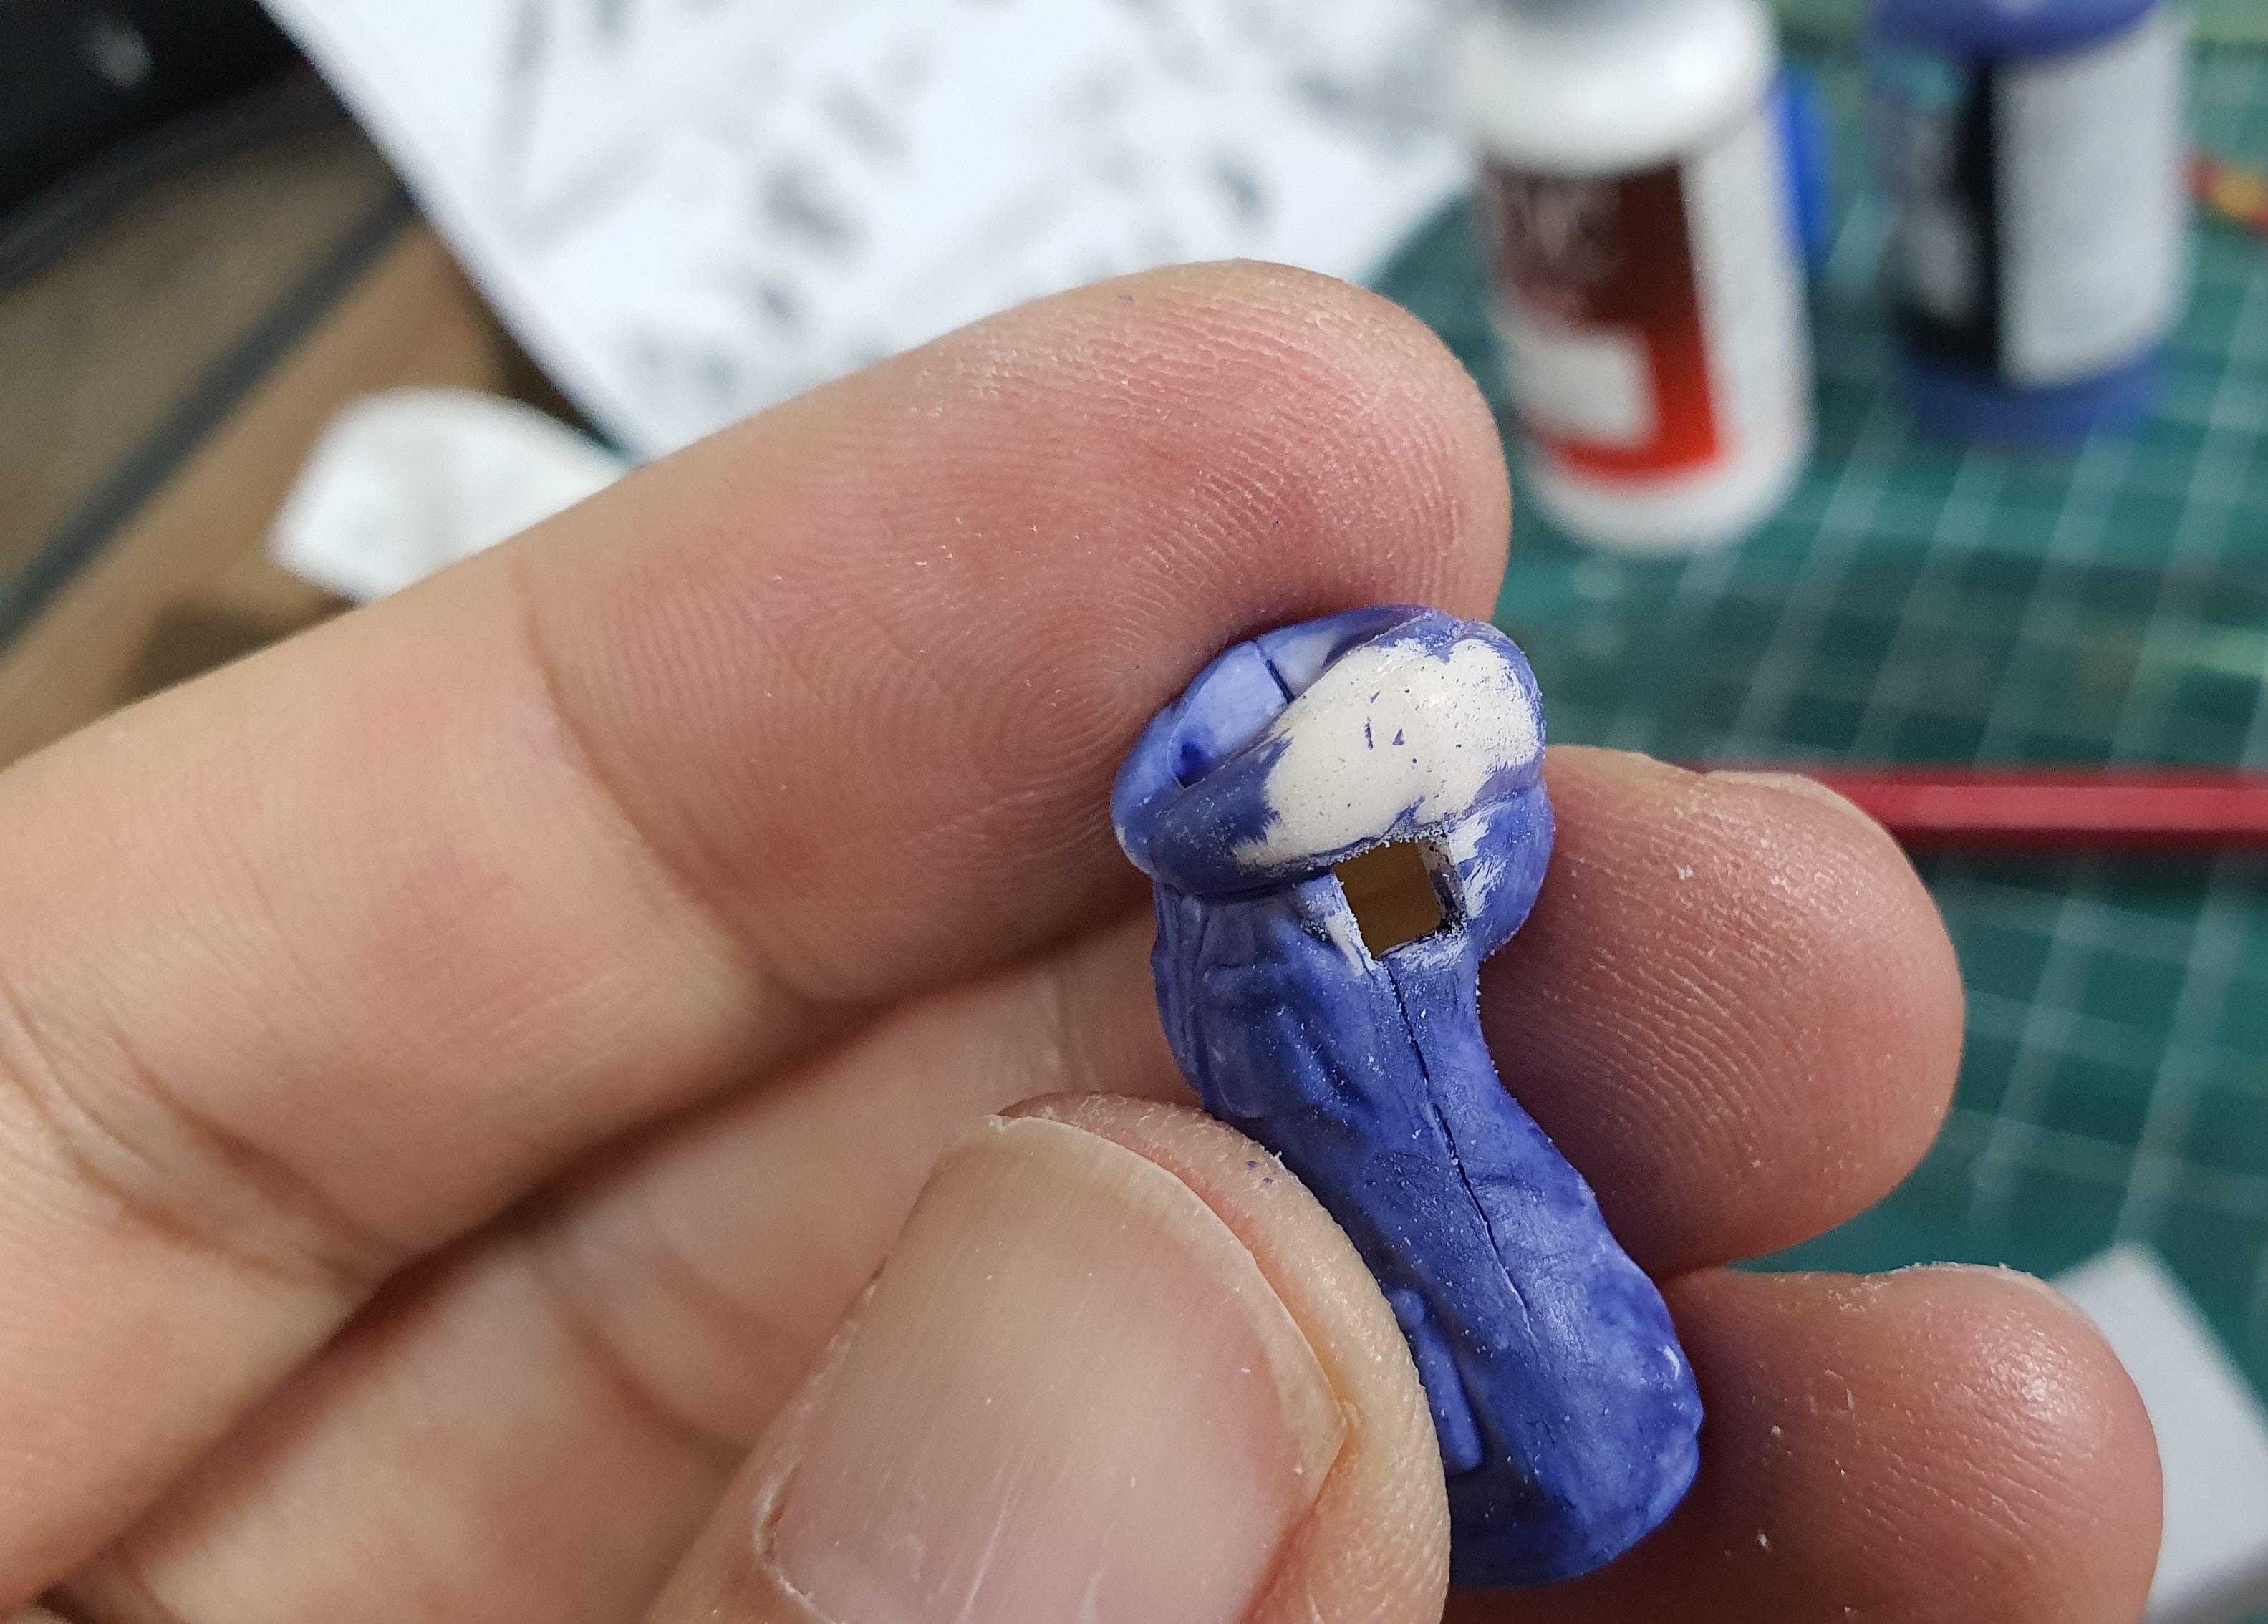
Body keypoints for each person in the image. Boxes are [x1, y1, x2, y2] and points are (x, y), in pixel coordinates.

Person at [0, 264, 2159, 1624]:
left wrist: (1425, 852)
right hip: (1385, 1191)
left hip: (1450, 1225)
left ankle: (1539, 1459)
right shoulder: (1294, 901)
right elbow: (1408, 931)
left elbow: (1459, 907)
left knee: (1543, 1354)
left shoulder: (1357, 894)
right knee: (1512, 1346)